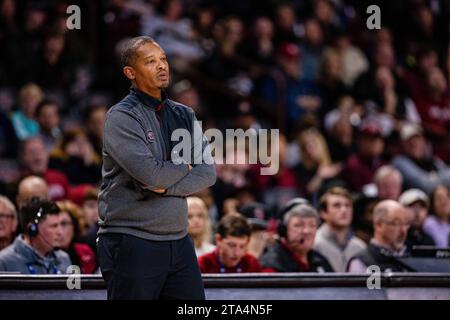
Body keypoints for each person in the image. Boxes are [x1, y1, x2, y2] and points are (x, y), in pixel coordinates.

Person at [97, 36, 216, 300]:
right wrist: (186, 166)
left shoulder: (184, 114)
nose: (162, 66)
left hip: (179, 239)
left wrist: (164, 186)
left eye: (163, 59)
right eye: (150, 61)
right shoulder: (122, 116)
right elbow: (150, 174)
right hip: (132, 239)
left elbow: (207, 172)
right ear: (130, 72)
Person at [0, 197, 71, 274]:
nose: (60, 232)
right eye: (54, 226)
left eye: (61, 225)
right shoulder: (4, 261)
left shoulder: (64, 259)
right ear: (33, 229)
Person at [260, 203, 333, 272]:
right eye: (298, 225)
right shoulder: (272, 266)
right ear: (284, 230)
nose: (306, 231)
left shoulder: (321, 261)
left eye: (312, 225)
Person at [347, 200, 411, 272]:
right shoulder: (362, 262)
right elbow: (372, 283)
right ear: (379, 225)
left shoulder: (412, 259)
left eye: (406, 224)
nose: (403, 230)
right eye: (395, 223)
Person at [314, 187, 366, 272]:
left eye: (347, 205)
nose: (344, 210)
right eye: (337, 205)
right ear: (323, 213)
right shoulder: (314, 244)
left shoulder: (360, 247)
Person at [198, 213, 266, 273]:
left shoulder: (252, 264)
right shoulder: (203, 265)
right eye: (232, 245)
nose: (237, 253)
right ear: (218, 240)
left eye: (242, 246)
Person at [56, 200, 96, 274]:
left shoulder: (85, 251)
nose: (59, 231)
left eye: (64, 224)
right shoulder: (45, 256)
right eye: (54, 225)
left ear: (75, 226)